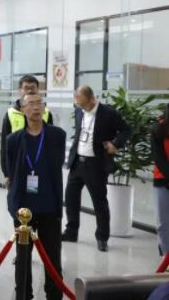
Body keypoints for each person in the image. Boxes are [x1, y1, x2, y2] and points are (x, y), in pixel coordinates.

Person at [5, 92, 66, 300]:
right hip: (24, 210)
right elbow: (11, 171)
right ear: (23, 110)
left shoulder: (57, 136)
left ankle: (54, 296)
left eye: (40, 102)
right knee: (22, 259)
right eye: (31, 103)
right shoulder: (13, 140)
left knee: (53, 259)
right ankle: (24, 295)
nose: (36, 107)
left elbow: (57, 165)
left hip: (49, 207)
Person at [62, 85, 131, 251]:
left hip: (96, 164)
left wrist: (115, 144)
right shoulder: (79, 112)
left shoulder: (108, 113)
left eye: (81, 101)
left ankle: (102, 237)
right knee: (71, 198)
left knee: (99, 202)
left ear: (92, 99)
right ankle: (71, 232)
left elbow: (126, 130)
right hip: (77, 162)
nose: (78, 104)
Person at [0, 75, 54, 186]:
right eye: (26, 88)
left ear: (38, 91)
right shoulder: (10, 114)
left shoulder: (46, 113)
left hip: (40, 166)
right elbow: (4, 146)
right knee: (17, 196)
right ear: (19, 91)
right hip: (17, 167)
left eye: (32, 88)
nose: (29, 91)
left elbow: (51, 145)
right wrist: (6, 173)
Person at [152, 104, 169, 256]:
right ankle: (165, 254)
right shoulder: (158, 128)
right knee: (163, 223)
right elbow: (159, 157)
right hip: (163, 179)